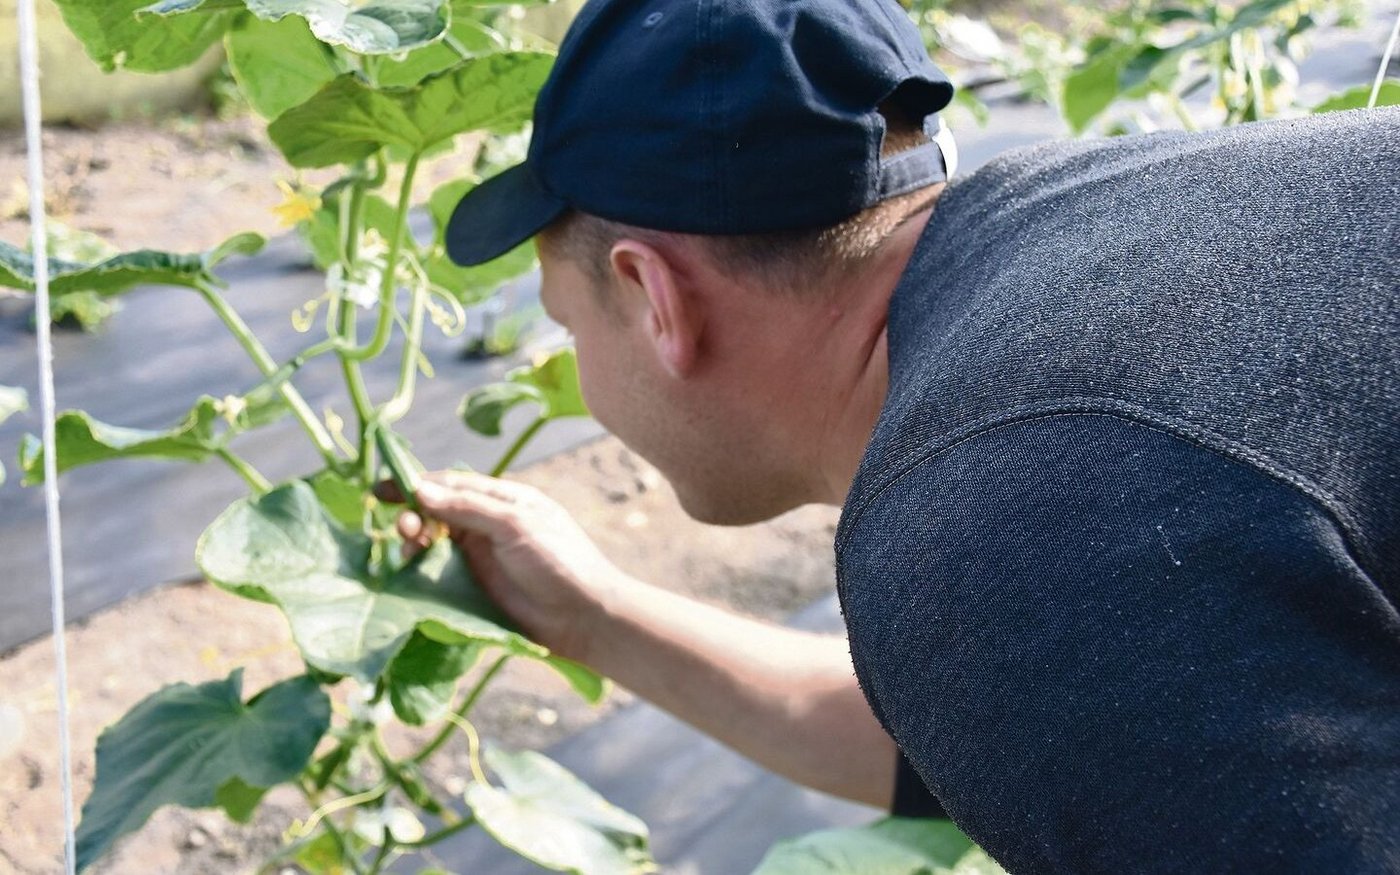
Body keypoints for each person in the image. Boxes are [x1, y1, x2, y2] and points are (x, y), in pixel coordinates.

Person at [388, 0, 1400, 870]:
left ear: (653, 298)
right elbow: (1010, 725)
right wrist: (592, 614)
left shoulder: (1005, 514)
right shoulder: (1084, 221)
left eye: (564, 328)